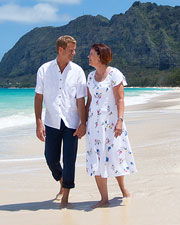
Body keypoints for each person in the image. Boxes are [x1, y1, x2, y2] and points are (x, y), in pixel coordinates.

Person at [35, 35, 88, 209]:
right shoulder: (44, 70)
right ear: (61, 50)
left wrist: (83, 123)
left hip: (72, 121)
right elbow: (39, 97)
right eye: (71, 50)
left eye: (74, 49)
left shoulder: (78, 71)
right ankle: (62, 180)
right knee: (50, 158)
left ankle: (65, 195)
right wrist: (39, 122)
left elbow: (81, 100)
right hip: (51, 121)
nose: (74, 53)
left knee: (69, 160)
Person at [84, 43, 136, 208]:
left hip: (112, 123)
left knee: (114, 156)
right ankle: (104, 198)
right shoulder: (90, 76)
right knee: (96, 159)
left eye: (91, 54)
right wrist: (83, 122)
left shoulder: (114, 74)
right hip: (94, 126)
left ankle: (123, 189)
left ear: (99, 56)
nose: (88, 56)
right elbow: (89, 101)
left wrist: (120, 121)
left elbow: (120, 99)